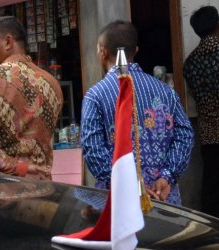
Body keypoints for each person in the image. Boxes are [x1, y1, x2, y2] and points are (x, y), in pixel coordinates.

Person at [81, 21, 194, 204]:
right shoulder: (166, 92)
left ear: (102, 52)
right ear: (136, 51)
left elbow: (93, 150)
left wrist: (128, 186)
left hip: (119, 203)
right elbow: (185, 136)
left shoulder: (95, 96)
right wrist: (167, 177)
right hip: (164, 201)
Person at [0, 16, 63, 180]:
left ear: (8, 42)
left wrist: (21, 168)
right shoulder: (52, 84)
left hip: (5, 192)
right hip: (45, 189)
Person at [183, 6, 219, 220]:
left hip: (208, 132)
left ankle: (215, 228)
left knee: (213, 186)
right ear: (218, 26)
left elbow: (195, 93)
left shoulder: (190, 62)